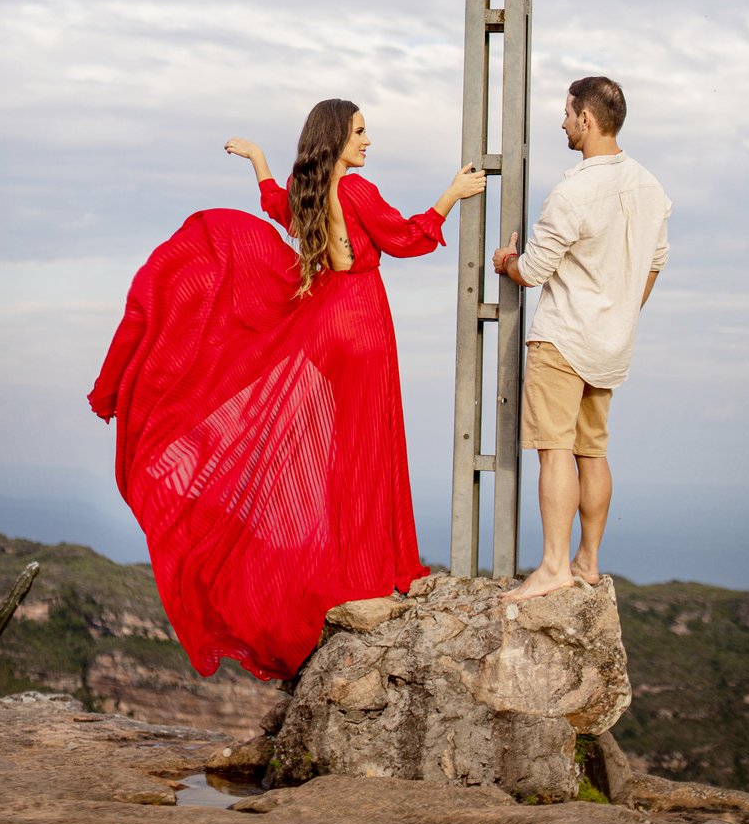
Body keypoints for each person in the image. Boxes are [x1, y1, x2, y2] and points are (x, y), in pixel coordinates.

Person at [88, 99, 485, 682]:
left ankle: (331, 569)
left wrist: (260, 162)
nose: (368, 141)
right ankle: (377, 570)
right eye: (360, 132)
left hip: (322, 329)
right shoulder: (356, 192)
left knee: (327, 452)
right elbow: (405, 239)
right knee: (367, 446)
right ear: (338, 138)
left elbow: (277, 206)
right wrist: (453, 193)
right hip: (362, 324)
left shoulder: (307, 188)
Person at [492, 76, 670, 603]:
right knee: (592, 451)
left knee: (555, 453)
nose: (563, 122)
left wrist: (506, 262)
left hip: (564, 340)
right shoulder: (651, 188)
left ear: (587, 120)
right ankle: (588, 562)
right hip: (612, 343)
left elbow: (535, 269)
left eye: (568, 113)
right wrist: (620, 314)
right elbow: (654, 266)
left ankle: (553, 566)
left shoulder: (572, 192)